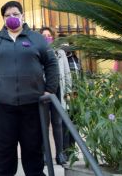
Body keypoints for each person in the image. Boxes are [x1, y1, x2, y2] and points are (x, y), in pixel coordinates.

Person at [0, 1, 59, 176]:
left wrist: (50, 89)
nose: (12, 18)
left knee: (33, 148)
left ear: (22, 16)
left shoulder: (36, 39)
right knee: (3, 150)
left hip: (32, 105)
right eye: (7, 15)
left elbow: (51, 63)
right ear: (3, 19)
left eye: (15, 14)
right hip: (1, 105)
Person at [40, 27, 71, 165]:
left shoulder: (60, 52)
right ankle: (45, 154)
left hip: (58, 90)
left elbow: (67, 72)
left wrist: (69, 92)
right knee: (44, 123)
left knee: (58, 122)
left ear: (53, 37)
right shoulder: (37, 51)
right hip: (42, 91)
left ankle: (60, 154)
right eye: (44, 35)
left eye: (49, 35)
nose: (47, 37)